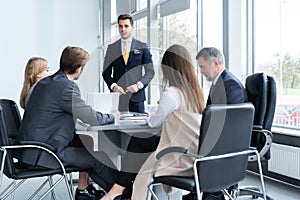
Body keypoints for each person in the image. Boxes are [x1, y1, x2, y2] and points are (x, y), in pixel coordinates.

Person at [101, 44, 205, 200]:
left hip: (179, 154)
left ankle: (118, 189)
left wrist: (154, 115)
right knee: (142, 142)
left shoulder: (172, 93)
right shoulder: (196, 92)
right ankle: (121, 190)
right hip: (195, 152)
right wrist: (160, 112)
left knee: (139, 140)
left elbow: (153, 124)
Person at [16, 46, 121, 200]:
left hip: (28, 151)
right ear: (78, 69)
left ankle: (95, 193)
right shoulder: (66, 87)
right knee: (98, 158)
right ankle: (125, 195)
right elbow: (91, 118)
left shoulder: (45, 83)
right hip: (45, 153)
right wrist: (113, 117)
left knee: (89, 149)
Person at [182, 47, 248, 200]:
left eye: (203, 67)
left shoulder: (230, 85)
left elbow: (231, 124)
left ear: (216, 63)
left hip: (227, 145)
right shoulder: (219, 84)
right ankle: (198, 191)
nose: (202, 71)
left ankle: (208, 192)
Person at [102, 13, 154, 113]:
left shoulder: (142, 46)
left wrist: (138, 85)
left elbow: (150, 72)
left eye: (126, 26)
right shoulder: (112, 48)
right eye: (120, 26)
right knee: (118, 127)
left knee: (138, 127)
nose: (123, 29)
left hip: (137, 97)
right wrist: (113, 86)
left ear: (132, 27)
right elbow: (106, 72)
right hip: (118, 97)